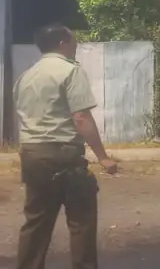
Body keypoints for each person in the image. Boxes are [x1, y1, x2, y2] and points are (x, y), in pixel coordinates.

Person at [14, 23, 118, 269]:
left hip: (32, 153)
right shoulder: (69, 71)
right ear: (63, 43)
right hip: (63, 154)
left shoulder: (27, 75)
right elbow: (80, 117)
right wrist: (103, 157)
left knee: (36, 221)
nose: (76, 44)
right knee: (81, 219)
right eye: (73, 40)